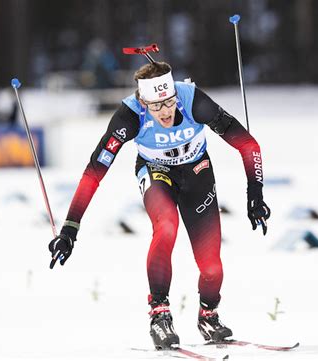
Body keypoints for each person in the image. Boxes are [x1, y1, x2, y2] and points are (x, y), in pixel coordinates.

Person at [48, 61, 271, 350]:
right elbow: (94, 173)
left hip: (197, 172)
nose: (165, 112)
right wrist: (70, 229)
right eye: (156, 106)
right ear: (143, 102)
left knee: (212, 265)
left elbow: (249, 145)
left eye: (169, 102)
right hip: (156, 173)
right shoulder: (129, 117)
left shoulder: (193, 101)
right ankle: (159, 315)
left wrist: (255, 192)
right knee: (166, 226)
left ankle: (208, 315)